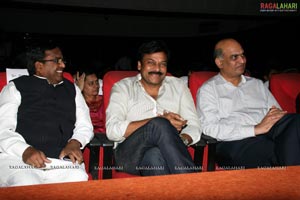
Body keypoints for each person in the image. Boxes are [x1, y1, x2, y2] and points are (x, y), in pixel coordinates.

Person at [0, 41, 93, 187]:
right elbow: (3, 129)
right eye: (57, 61)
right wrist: (25, 150)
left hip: (60, 160)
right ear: (39, 66)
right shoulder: (15, 88)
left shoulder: (72, 90)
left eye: (62, 60)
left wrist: (75, 142)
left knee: (78, 180)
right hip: (19, 160)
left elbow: (85, 125)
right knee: (26, 183)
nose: (62, 65)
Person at [196, 38, 300, 169]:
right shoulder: (209, 89)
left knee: (295, 121)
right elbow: (209, 128)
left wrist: (273, 120)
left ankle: (292, 178)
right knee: (278, 150)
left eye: (243, 55)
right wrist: (255, 129)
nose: (242, 60)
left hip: (269, 133)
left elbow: (277, 113)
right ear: (220, 62)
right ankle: (292, 180)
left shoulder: (257, 84)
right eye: (235, 57)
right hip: (235, 142)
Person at [106, 40, 201, 176]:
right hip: (128, 155)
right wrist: (160, 122)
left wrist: (177, 140)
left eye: (162, 64)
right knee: (160, 124)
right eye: (151, 62)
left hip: (162, 155)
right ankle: (194, 186)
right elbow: (112, 130)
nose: (157, 69)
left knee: (154, 156)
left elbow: (194, 125)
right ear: (139, 65)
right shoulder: (123, 88)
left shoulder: (178, 86)